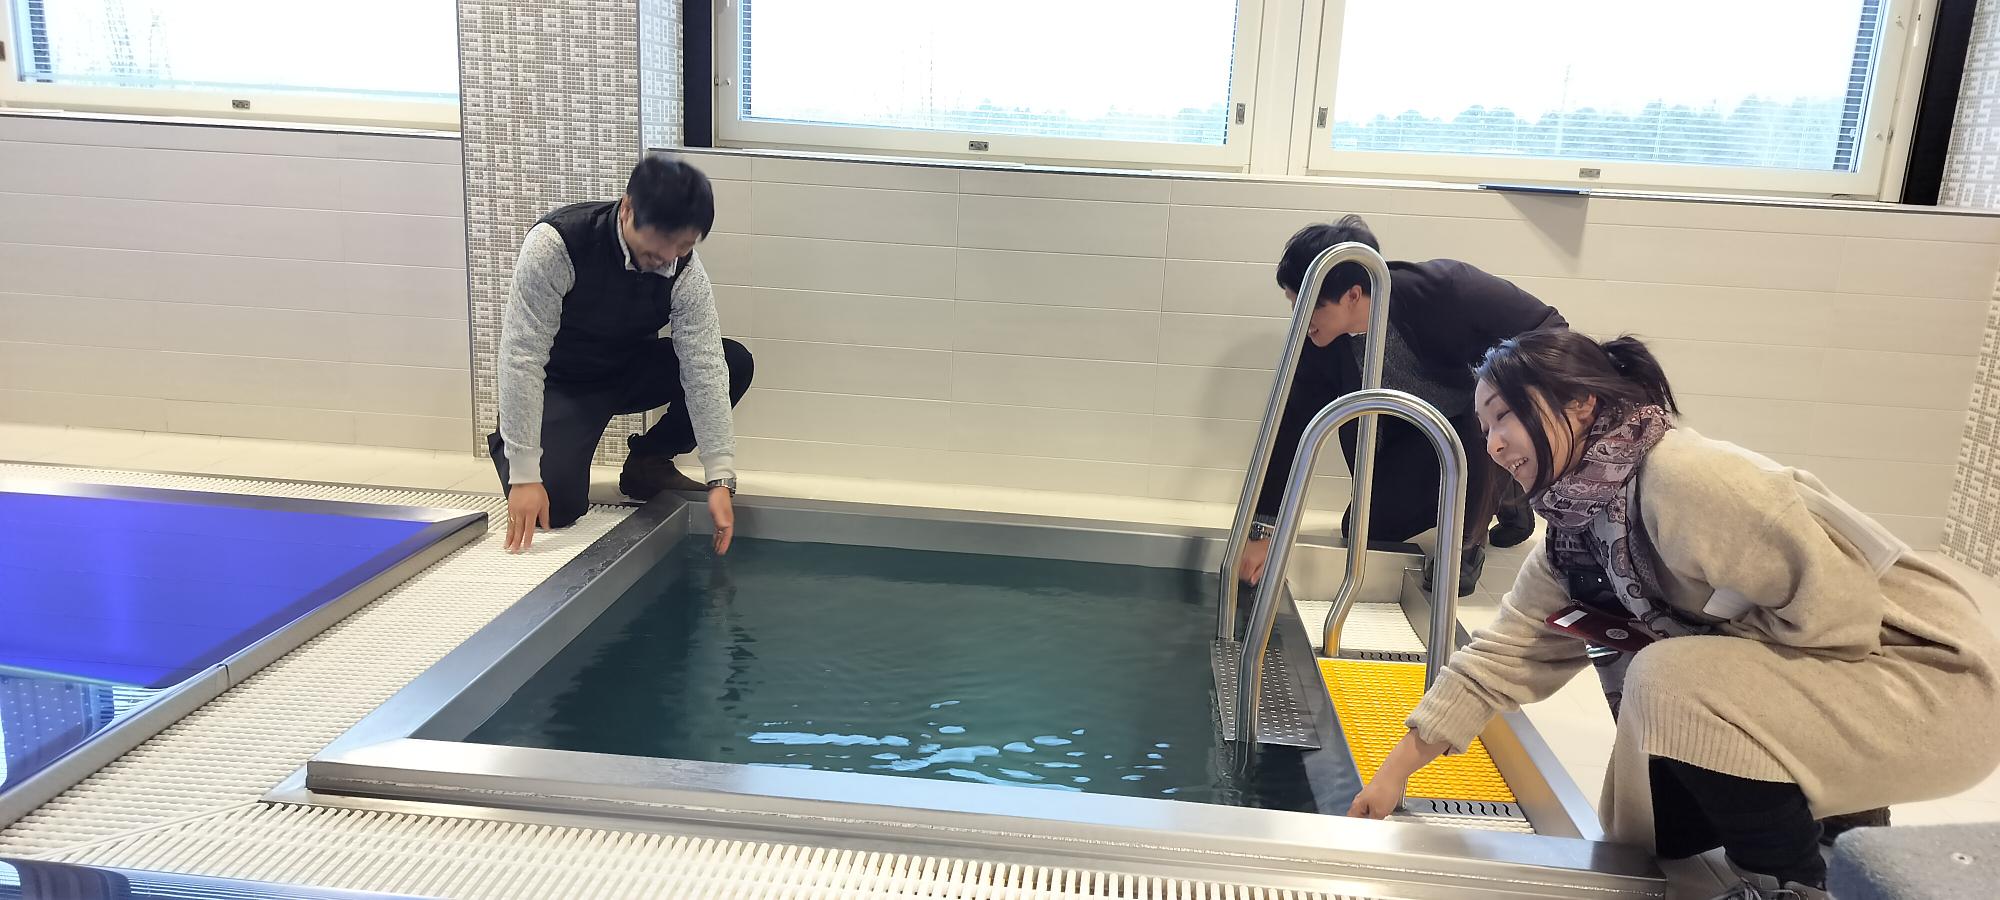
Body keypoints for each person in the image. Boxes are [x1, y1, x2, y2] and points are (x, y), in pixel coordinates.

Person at [1347, 329, 2000, 899]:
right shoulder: (1577, 536)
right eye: (1483, 426)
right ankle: (1824, 816)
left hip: (1931, 681)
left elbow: (1844, 615)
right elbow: (1502, 657)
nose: (1492, 443)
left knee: (1671, 678)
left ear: (1581, 404)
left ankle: (1793, 885)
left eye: (1504, 417)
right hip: (1850, 680)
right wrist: (1390, 776)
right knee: (1657, 833)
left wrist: (1829, 766)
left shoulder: (1685, 479)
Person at [1239, 215, 1565, 596]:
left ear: (1353, 295)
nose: (1300, 320)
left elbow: (1550, 327)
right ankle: (1498, 491)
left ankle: (1475, 522)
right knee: (1365, 530)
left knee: (1454, 571)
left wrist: (1503, 403)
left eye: (1309, 307)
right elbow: (1291, 431)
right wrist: (1263, 529)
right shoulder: (1317, 345)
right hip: (1412, 432)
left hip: (1473, 425)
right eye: (1293, 305)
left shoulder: (1446, 289)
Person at [489, 153, 754, 554]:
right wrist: (525, 474)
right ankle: (506, 445)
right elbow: (521, 357)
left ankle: (648, 463)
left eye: (681, 247)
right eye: (657, 250)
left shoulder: (683, 267)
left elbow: (704, 366)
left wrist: (720, 477)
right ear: (628, 208)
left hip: (630, 369)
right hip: (564, 384)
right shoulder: (557, 244)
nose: (667, 261)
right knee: (554, 509)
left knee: (731, 360)